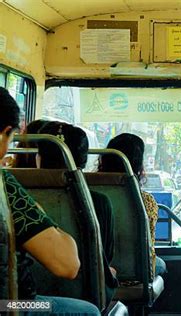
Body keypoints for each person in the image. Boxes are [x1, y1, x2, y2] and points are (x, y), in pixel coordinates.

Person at [0, 87, 100, 315]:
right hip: (9, 305)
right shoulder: (4, 187)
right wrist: (41, 214)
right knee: (89, 312)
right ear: (4, 132)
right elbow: (67, 265)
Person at [36, 121, 119, 305]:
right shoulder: (97, 202)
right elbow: (104, 257)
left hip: (16, 300)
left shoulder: (17, 197)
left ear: (39, 158)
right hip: (81, 299)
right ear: (82, 161)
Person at [98, 133, 167, 277]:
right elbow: (148, 247)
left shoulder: (87, 194)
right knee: (160, 264)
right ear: (138, 165)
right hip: (134, 273)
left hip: (96, 267)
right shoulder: (144, 201)